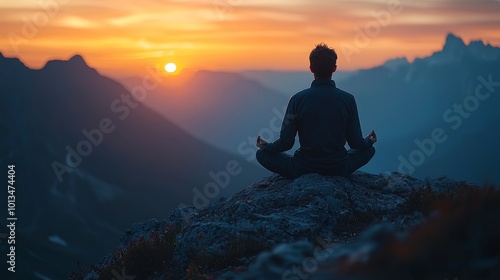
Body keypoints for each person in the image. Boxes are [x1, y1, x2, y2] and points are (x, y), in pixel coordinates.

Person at [256, 43, 376, 179]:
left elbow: (286, 143)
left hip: (302, 168)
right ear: (334, 68)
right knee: (369, 151)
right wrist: (369, 141)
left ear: (311, 68)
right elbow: (355, 143)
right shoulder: (348, 99)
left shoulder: (297, 99)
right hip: (338, 167)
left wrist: (267, 147)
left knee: (261, 155)